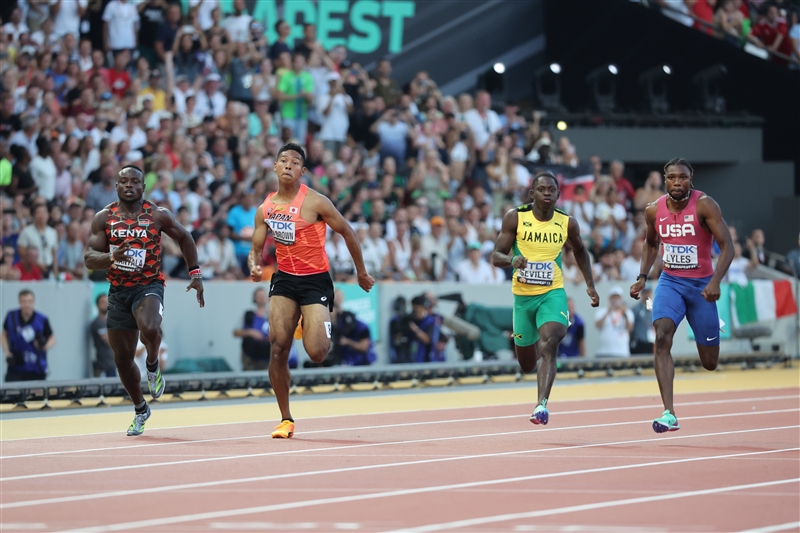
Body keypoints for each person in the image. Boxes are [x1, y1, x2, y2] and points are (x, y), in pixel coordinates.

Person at [249, 143, 375, 438]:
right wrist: (254, 266)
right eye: (283, 160)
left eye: (295, 162)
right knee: (278, 349)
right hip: (283, 280)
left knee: (317, 352)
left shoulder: (317, 202)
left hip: (315, 279)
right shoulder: (265, 208)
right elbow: (255, 249)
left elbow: (347, 231)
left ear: (303, 171)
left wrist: (361, 272)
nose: (288, 165)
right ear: (275, 168)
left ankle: (307, 319)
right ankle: (285, 418)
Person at [84, 165, 204, 436]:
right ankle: (140, 408)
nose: (128, 186)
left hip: (148, 285)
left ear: (143, 187)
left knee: (150, 327)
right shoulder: (104, 218)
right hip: (118, 291)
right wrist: (112, 257)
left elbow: (185, 238)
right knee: (123, 359)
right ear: (116, 186)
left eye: (134, 182)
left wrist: (195, 273)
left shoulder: (157, 215)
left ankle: (152, 364)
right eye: (123, 181)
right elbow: (89, 257)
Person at [630, 158, 733, 434]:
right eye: (672, 177)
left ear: (691, 179)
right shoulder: (654, 210)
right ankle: (669, 413)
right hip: (670, 282)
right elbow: (651, 243)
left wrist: (715, 281)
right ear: (665, 180)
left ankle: (712, 326)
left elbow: (728, 247)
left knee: (709, 363)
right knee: (661, 336)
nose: (677, 182)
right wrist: (642, 277)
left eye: (683, 178)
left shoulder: (705, 205)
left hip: (702, 288)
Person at [492, 172, 599, 426]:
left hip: (552, 292)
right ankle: (537, 348)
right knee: (527, 364)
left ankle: (541, 405)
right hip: (523, 298)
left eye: (552, 190)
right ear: (532, 194)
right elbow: (496, 255)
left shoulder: (567, 223)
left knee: (551, 340)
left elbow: (581, 252)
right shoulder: (516, 217)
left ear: (559, 194)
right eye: (542, 189)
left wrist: (590, 285)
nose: (547, 193)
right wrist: (512, 260)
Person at [2, 289, 57, 381]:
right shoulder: (11, 317)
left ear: (34, 302)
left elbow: (53, 339)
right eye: (24, 302)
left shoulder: (42, 319)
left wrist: (43, 346)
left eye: (29, 301)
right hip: (16, 367)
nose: (27, 305)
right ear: (19, 302)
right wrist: (7, 353)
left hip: (36, 369)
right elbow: (3, 335)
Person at [594, 286, 634, 357]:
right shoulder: (602, 311)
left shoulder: (628, 312)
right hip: (604, 352)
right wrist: (608, 311)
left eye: (617, 297)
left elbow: (630, 328)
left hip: (622, 352)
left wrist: (624, 313)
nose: (615, 300)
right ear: (609, 299)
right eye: (613, 297)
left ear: (621, 299)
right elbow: (598, 325)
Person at [90, 294, 116, 377]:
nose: (106, 305)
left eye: (107, 302)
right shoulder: (97, 323)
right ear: (97, 305)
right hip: (103, 366)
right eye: (103, 302)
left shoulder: (110, 322)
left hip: (112, 365)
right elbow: (109, 341)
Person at [630, 284, 655, 355]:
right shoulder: (636, 309)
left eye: (648, 292)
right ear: (642, 294)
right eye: (645, 293)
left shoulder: (654, 309)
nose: (647, 295)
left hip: (652, 342)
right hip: (639, 342)